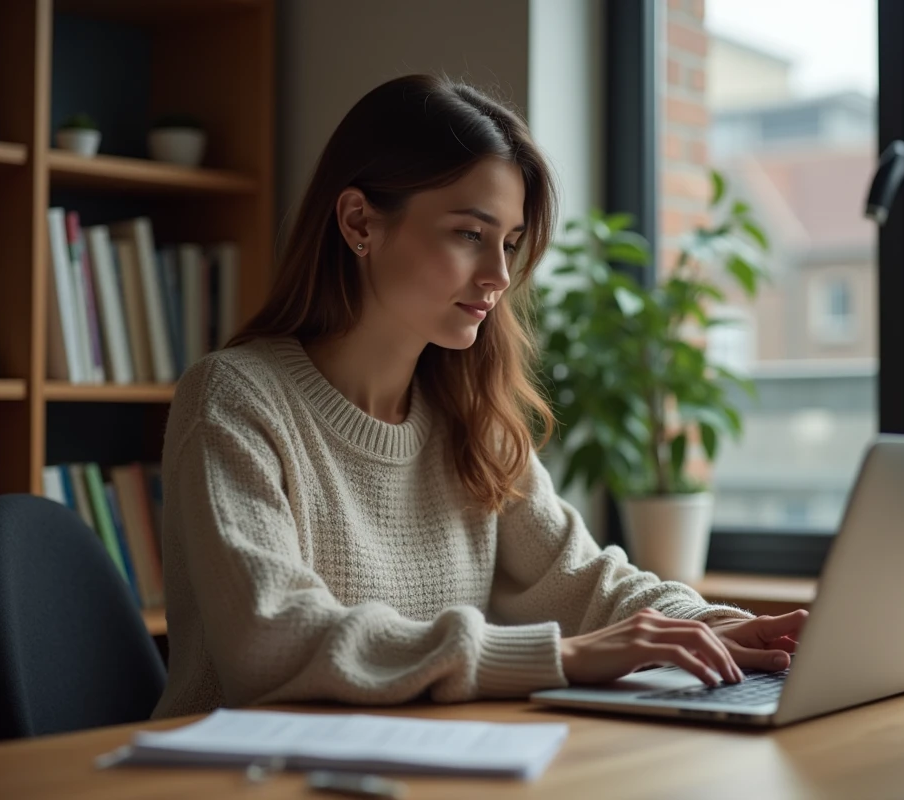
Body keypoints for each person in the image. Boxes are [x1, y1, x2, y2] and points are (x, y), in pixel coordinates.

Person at [152, 74, 807, 719]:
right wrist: (565, 656)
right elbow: (272, 642)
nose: (498, 276)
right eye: (470, 234)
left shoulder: (469, 416)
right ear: (359, 222)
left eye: (511, 244)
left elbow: (585, 583)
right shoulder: (234, 398)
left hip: (414, 771)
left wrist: (728, 629)